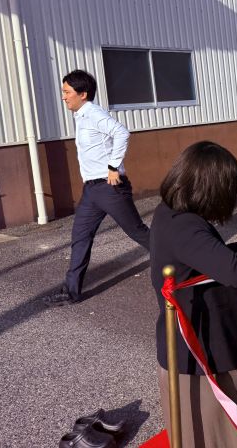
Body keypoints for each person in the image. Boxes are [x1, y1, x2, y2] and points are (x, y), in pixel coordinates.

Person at [150, 141, 237, 448]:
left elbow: (208, 258)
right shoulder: (186, 227)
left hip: (202, 344)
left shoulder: (171, 215)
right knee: (221, 434)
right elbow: (232, 269)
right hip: (202, 354)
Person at [43, 70, 150, 306]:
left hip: (109, 187)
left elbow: (121, 133)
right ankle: (71, 291)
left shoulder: (93, 113)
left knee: (137, 232)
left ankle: (181, 260)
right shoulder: (81, 116)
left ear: (83, 94)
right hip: (92, 190)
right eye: (64, 92)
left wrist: (113, 167)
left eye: (67, 92)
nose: (63, 97)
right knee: (80, 236)